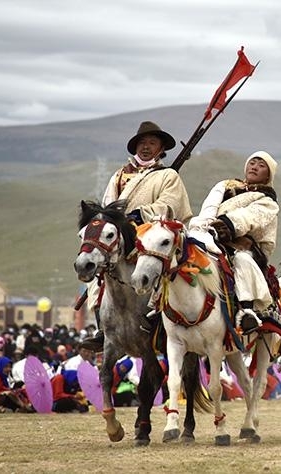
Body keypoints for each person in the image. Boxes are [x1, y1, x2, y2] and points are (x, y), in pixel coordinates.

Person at [80, 121, 193, 351]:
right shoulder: (119, 175)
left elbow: (169, 205)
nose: (146, 147)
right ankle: (104, 329)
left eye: (152, 142)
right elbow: (108, 205)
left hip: (152, 239)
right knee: (97, 270)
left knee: (160, 272)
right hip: (120, 239)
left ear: (161, 148)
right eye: (142, 142)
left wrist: (140, 214)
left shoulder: (168, 176)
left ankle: (161, 319)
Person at [187, 151, 279, 335]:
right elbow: (210, 206)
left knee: (242, 259)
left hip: (244, 245)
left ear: (268, 176)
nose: (254, 167)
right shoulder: (225, 185)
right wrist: (203, 226)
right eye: (252, 162)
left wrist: (223, 227)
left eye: (261, 165)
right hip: (211, 234)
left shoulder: (267, 201)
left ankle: (246, 311)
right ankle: (159, 303)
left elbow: (247, 218)